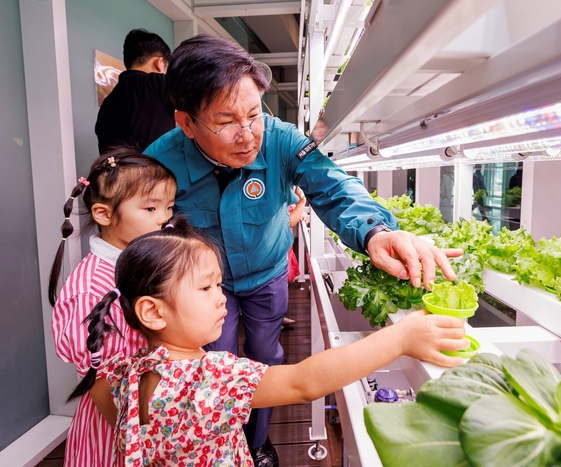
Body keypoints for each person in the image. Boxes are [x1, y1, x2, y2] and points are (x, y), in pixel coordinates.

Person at [144, 35, 462, 465]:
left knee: (265, 357)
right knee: (214, 360)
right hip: (199, 288)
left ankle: (256, 443)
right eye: (226, 121)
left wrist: (375, 233)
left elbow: (333, 187)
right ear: (186, 122)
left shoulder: (281, 139)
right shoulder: (159, 162)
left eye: (254, 114)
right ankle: (223, 445)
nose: (247, 135)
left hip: (267, 272)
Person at [69, 216, 468, 467]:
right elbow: (302, 382)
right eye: (206, 287)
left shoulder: (122, 372)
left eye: (218, 284)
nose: (221, 296)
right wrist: (400, 338)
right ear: (153, 312)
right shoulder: (211, 377)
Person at [49, 149, 176, 467]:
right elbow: (103, 384)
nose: (164, 217)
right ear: (104, 214)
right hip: (119, 431)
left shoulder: (140, 263)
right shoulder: (92, 290)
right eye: (150, 207)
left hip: (153, 412)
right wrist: (141, 444)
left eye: (169, 207)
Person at [95, 29, 175, 154]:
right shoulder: (159, 83)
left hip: (114, 172)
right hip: (154, 172)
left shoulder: (107, 104)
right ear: (158, 63)